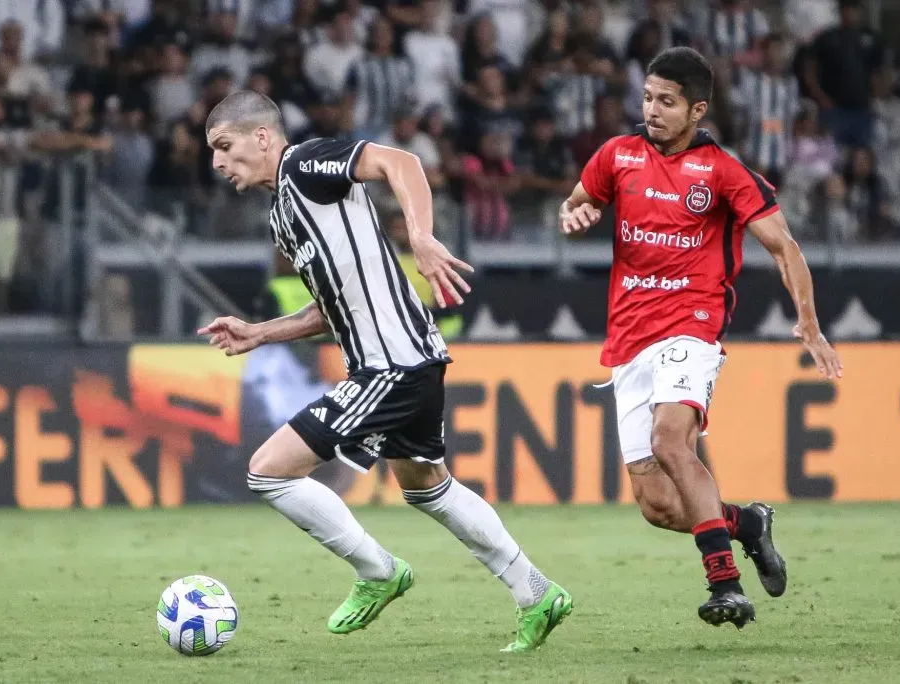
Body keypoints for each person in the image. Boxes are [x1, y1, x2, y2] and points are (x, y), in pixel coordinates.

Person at [197, 90, 572, 652]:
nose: (217, 162)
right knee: (427, 486)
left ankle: (378, 572)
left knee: (269, 471)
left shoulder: (303, 164)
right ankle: (537, 592)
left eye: (224, 146)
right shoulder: (283, 215)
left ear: (262, 138)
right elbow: (330, 307)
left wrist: (420, 237)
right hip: (408, 360)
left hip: (389, 364)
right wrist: (260, 332)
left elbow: (402, 162)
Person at [558, 47, 843, 628]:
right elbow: (577, 201)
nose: (653, 110)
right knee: (659, 506)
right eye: (647, 97)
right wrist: (574, 213)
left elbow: (784, 246)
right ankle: (747, 524)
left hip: (692, 325)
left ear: (697, 110)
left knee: (671, 440)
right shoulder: (618, 156)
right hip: (629, 339)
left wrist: (809, 323)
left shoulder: (722, 172)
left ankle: (725, 584)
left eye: (667, 101)